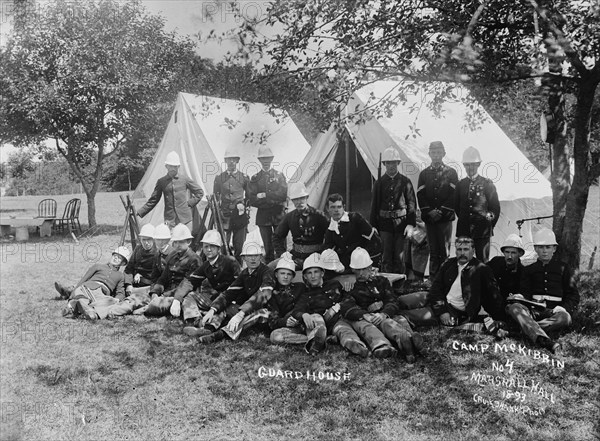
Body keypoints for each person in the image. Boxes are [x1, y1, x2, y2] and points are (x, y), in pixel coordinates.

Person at [397, 237, 505, 330]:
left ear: (473, 250)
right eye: (459, 249)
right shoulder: (449, 264)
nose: (462, 253)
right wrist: (441, 308)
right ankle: (385, 312)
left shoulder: (481, 269)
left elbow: (493, 296)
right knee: (401, 301)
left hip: (454, 311)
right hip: (438, 299)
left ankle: (390, 322)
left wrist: (500, 318)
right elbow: (435, 288)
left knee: (406, 316)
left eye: (466, 249)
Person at [341, 248, 425, 362]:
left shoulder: (381, 281)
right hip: (373, 319)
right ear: (352, 270)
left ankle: (412, 342)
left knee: (400, 320)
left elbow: (392, 300)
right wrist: (365, 314)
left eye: (364, 269)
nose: (361, 273)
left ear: (370, 268)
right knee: (388, 324)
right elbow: (347, 307)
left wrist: (384, 313)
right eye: (357, 270)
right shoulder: (351, 287)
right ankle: (407, 343)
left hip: (386, 313)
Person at [506, 228, 579, 353]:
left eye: (548, 247)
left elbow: (573, 295)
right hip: (533, 311)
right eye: (540, 247)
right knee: (514, 307)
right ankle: (543, 339)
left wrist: (563, 307)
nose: (544, 251)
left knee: (565, 318)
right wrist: (520, 297)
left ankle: (522, 331)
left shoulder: (563, 268)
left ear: (554, 249)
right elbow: (526, 293)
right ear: (535, 249)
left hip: (554, 311)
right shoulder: (529, 269)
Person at [289, 253, 371, 357]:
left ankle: (363, 345)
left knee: (352, 328)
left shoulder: (334, 284)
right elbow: (297, 310)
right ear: (305, 276)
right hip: (327, 322)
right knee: (334, 327)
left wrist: (339, 305)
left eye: (316, 272)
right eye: (309, 273)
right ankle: (317, 343)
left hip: (343, 317)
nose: (313, 276)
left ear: (322, 273)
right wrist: (304, 315)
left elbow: (346, 297)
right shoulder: (307, 295)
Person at [196, 239, 275, 343]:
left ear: (261, 257)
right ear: (243, 258)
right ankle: (208, 328)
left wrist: (241, 313)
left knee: (255, 314)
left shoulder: (266, 272)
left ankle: (218, 335)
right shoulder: (245, 273)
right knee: (225, 307)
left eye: (256, 255)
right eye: (249, 256)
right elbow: (230, 292)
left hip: (268, 311)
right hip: (248, 308)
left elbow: (264, 294)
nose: (253, 259)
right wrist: (213, 309)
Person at [174, 230, 241, 336]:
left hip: (232, 301)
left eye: (212, 246)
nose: (209, 249)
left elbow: (240, 284)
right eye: (206, 246)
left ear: (219, 248)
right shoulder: (206, 266)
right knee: (190, 296)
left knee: (221, 307)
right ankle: (195, 321)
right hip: (217, 299)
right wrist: (177, 299)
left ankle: (208, 328)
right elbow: (190, 281)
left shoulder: (230, 262)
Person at [370, 146, 417, 274]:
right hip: (385, 225)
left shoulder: (405, 182)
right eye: (388, 163)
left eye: (394, 162)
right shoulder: (379, 183)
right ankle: (386, 284)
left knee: (399, 257)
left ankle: (400, 285)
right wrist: (373, 225)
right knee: (386, 257)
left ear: (398, 163)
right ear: (384, 164)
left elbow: (412, 204)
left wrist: (410, 224)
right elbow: (374, 206)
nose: (391, 166)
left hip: (401, 224)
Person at [417, 141, 459, 277]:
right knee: (433, 252)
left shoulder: (451, 173)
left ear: (444, 154)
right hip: (430, 220)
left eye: (438, 153)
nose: (436, 156)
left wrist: (441, 211)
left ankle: (445, 279)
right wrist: (429, 211)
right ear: (429, 154)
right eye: (433, 153)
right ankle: (433, 281)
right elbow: (420, 195)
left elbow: (454, 195)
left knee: (445, 251)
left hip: (445, 219)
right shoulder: (423, 174)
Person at [142, 224, 201, 316]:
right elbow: (163, 277)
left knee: (155, 305)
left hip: (183, 294)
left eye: (181, 242)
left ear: (189, 242)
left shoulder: (194, 259)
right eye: (175, 242)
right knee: (146, 297)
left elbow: (187, 284)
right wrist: (155, 292)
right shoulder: (173, 256)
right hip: (169, 291)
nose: (177, 245)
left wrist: (166, 295)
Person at [59, 246, 131, 320]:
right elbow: (84, 279)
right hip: (87, 287)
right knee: (81, 293)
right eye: (115, 255)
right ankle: (86, 309)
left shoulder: (120, 275)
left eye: (119, 258)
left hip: (101, 294)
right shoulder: (98, 266)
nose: (115, 258)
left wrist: (117, 299)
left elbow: (120, 292)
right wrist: (71, 295)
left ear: (123, 263)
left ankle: (78, 307)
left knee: (110, 301)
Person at [455, 146, 500, 262]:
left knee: (482, 262)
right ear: (464, 165)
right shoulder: (460, 185)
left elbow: (494, 209)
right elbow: (457, 207)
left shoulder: (487, 184)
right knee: (464, 260)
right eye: (467, 164)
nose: (470, 167)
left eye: (473, 164)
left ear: (478, 164)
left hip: (482, 230)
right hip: (464, 230)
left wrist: (488, 224)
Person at [137, 151, 204, 229]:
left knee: (185, 240)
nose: (173, 169)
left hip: (186, 219)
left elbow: (199, 192)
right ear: (166, 166)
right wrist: (140, 211)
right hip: (169, 220)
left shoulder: (184, 179)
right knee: (170, 240)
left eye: (175, 166)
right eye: (170, 166)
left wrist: (189, 204)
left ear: (178, 166)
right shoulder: (161, 181)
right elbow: (153, 200)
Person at [272, 182, 329, 269]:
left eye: (301, 198)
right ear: (292, 201)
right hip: (296, 258)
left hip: (316, 258)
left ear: (307, 198)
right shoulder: (289, 217)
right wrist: (283, 253)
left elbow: (331, 236)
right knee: (270, 268)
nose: (299, 202)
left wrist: (323, 253)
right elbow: (277, 236)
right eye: (295, 199)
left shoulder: (319, 215)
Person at [248, 146, 288, 263]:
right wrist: (272, 199)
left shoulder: (279, 175)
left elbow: (283, 194)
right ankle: (270, 268)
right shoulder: (255, 178)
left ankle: (284, 265)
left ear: (272, 159)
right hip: (263, 217)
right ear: (259, 160)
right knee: (268, 246)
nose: (266, 161)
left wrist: (265, 195)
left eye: (268, 158)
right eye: (263, 159)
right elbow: (252, 199)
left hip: (278, 215)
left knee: (281, 244)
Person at [324, 193, 381, 272]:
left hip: (365, 264)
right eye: (333, 207)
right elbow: (328, 251)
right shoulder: (330, 229)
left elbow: (376, 242)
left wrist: (366, 261)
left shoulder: (355, 218)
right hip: (346, 268)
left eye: (339, 207)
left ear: (344, 207)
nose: (336, 210)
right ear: (327, 208)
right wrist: (338, 264)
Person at [213, 147, 249, 263]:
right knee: (224, 245)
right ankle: (225, 267)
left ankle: (238, 268)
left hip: (239, 215)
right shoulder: (219, 178)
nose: (231, 162)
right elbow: (216, 195)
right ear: (225, 161)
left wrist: (244, 205)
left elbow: (249, 196)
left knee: (239, 246)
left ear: (237, 161)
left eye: (234, 159)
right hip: (224, 215)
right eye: (229, 159)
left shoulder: (244, 177)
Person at [267, 258, 308, 344]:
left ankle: (312, 336)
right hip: (289, 328)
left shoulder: (300, 287)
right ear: (276, 274)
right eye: (282, 273)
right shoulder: (272, 293)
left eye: (289, 274)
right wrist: (286, 322)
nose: (285, 277)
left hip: (304, 322)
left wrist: (299, 317)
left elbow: (305, 304)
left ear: (293, 276)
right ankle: (308, 339)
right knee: (275, 336)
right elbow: (273, 321)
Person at [487, 234, 525, 299]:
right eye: (507, 252)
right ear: (503, 252)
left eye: (513, 253)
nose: (509, 256)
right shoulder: (495, 262)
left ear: (520, 254)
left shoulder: (523, 272)